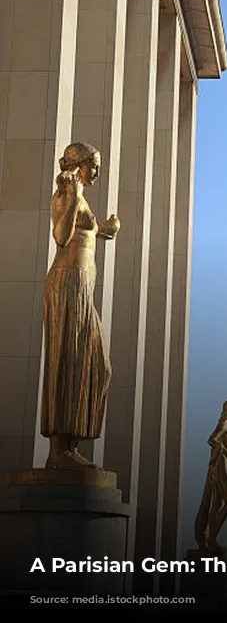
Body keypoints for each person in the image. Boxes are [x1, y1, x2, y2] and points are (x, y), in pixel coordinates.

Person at [41, 142, 120, 469]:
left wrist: (105, 230)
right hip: (67, 281)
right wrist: (72, 196)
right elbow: (61, 236)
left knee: (95, 366)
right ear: (81, 165)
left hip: (81, 285)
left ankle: (71, 444)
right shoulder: (67, 191)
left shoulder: (78, 194)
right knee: (67, 360)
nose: (98, 172)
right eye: (95, 165)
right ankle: (60, 451)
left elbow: (83, 233)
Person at [194, 400, 227, 551]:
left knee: (216, 505)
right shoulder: (224, 424)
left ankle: (212, 540)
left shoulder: (225, 424)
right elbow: (211, 439)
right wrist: (223, 450)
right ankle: (212, 538)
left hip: (221, 467)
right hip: (221, 468)